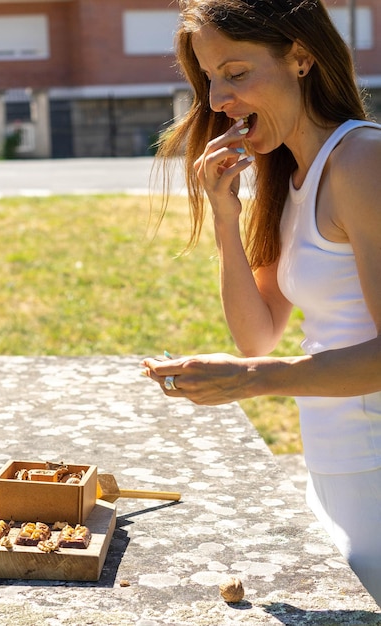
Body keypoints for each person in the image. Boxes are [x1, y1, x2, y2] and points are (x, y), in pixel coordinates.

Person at [141, 0, 381, 605]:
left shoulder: (362, 160)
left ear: (300, 57)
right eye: (210, 78)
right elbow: (258, 334)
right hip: (334, 463)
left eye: (237, 72)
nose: (218, 99)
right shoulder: (292, 174)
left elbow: (257, 361)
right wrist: (227, 214)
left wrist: (246, 381)